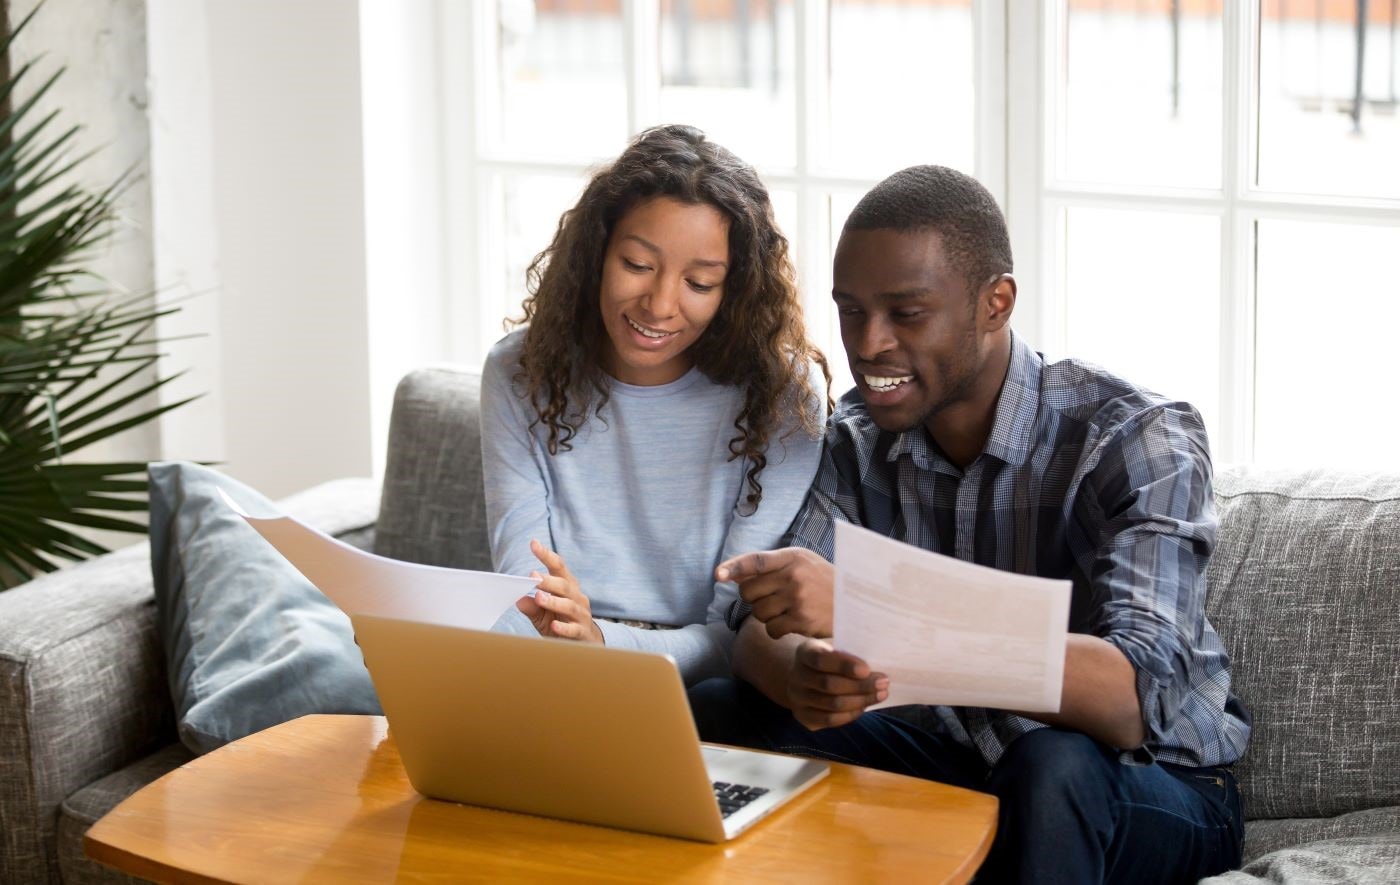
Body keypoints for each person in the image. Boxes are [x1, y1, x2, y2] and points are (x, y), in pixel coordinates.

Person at [688, 165, 1252, 883]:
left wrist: (874, 606)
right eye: (851, 310)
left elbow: (1132, 698)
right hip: (969, 768)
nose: (869, 343)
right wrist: (799, 666)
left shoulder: (1137, 437)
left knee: (1050, 765)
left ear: (996, 302)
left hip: (1149, 784)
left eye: (907, 313)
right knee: (727, 710)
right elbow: (754, 628)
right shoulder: (859, 438)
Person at [480, 124, 830, 686]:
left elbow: (731, 637)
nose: (660, 304)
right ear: (597, 254)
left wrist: (599, 641)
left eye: (699, 281)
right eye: (638, 266)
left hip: (694, 683)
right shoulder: (519, 371)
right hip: (549, 665)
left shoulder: (783, 395)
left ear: (733, 290)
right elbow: (524, 593)